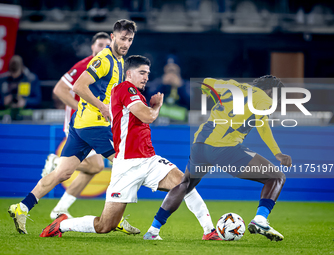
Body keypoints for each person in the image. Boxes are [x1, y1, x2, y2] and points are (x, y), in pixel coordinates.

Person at [39, 55, 220, 241]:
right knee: (105, 225)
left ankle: (209, 231)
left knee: (185, 184)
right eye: (142, 72)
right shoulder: (124, 89)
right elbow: (148, 116)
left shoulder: (134, 92)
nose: (146, 77)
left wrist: (150, 108)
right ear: (129, 73)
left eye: (148, 73)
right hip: (126, 166)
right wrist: (156, 106)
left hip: (149, 160)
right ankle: (61, 224)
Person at [8, 19, 139, 235]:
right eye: (122, 38)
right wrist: (102, 107)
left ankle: (22, 207)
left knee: (63, 172)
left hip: (81, 125)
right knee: (126, 164)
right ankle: (116, 218)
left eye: (130, 39)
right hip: (95, 124)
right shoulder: (104, 59)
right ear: (113, 37)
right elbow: (78, 86)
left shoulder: (120, 61)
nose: (126, 43)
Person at [143, 75, 292, 242]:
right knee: (277, 177)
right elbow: (262, 125)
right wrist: (277, 153)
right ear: (271, 91)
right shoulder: (264, 99)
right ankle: (260, 220)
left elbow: (206, 82)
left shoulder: (232, 85)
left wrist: (211, 94)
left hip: (200, 144)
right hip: (225, 148)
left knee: (185, 184)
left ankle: (153, 230)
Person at [41, 32, 111, 220]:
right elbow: (59, 89)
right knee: (96, 165)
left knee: (95, 167)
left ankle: (60, 208)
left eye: (107, 45)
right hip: (77, 123)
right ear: (92, 47)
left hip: (94, 123)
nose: (104, 48)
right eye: (100, 44)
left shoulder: (109, 67)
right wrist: (81, 107)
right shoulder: (83, 66)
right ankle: (56, 162)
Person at [0, 55, 41, 120]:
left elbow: (37, 100)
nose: (14, 76)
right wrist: (3, 101)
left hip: (25, 119)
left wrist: (25, 102)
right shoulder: (3, 80)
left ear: (22, 68)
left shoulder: (31, 79)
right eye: (12, 72)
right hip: (5, 118)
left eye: (16, 72)